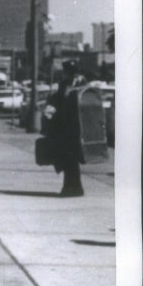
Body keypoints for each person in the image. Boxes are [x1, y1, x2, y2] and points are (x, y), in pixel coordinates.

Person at [48, 59, 85, 196]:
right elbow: (58, 101)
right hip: (63, 127)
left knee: (72, 158)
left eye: (72, 72)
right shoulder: (63, 85)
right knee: (66, 158)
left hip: (75, 128)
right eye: (69, 72)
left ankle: (73, 187)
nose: (70, 75)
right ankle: (70, 186)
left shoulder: (81, 84)